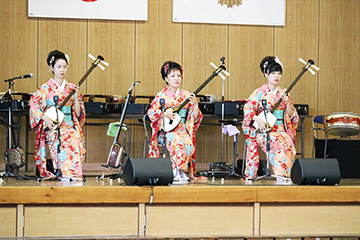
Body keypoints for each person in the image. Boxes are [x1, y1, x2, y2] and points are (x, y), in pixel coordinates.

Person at [29, 50, 86, 181]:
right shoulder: (44, 88)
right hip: (54, 127)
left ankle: (74, 175)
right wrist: (45, 118)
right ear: (51, 68)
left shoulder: (71, 87)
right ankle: (66, 174)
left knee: (75, 139)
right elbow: (34, 105)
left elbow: (78, 113)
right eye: (59, 66)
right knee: (62, 140)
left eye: (64, 67)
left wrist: (76, 97)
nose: (62, 70)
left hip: (70, 126)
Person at [242, 56, 299, 180]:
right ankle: (281, 174)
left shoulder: (284, 92)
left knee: (287, 143)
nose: (276, 76)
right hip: (264, 130)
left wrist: (288, 103)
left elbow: (290, 115)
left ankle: (284, 175)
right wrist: (258, 120)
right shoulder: (259, 93)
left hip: (280, 129)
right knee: (280, 143)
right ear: (266, 74)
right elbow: (248, 109)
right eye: (273, 73)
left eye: (279, 73)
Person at [147, 61, 203, 181]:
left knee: (189, 145)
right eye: (172, 76)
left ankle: (181, 172)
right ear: (166, 78)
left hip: (182, 130)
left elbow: (196, 117)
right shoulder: (161, 96)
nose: (176, 79)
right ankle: (174, 171)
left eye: (178, 75)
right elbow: (151, 113)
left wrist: (195, 103)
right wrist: (164, 114)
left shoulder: (187, 95)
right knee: (177, 142)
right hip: (167, 132)